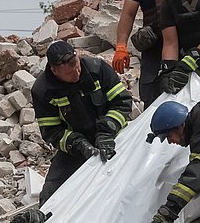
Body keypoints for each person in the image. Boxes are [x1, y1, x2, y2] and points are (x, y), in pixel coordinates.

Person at [32, 39, 133, 202]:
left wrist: (107, 131)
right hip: (76, 147)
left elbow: (123, 102)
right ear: (54, 71)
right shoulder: (43, 90)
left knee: (131, 178)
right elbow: (51, 131)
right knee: (52, 194)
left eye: (77, 66)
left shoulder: (97, 68)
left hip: (114, 136)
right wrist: (78, 144)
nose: (77, 73)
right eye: (70, 73)